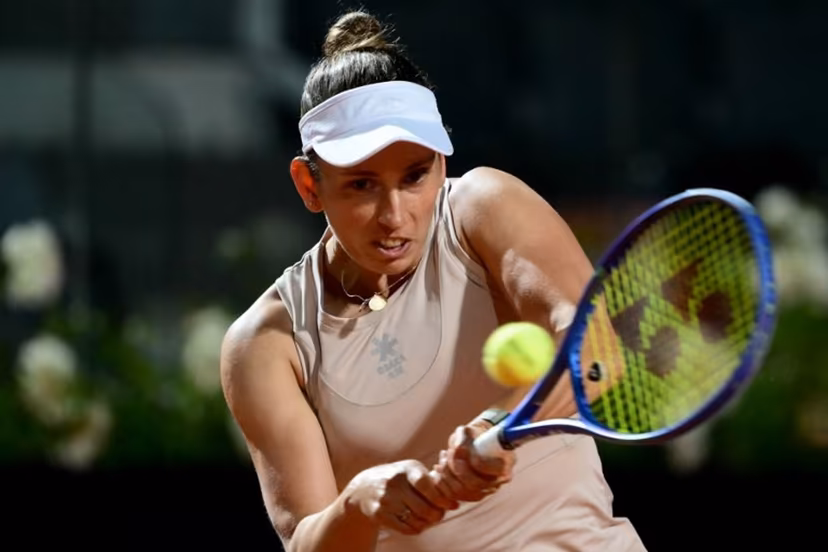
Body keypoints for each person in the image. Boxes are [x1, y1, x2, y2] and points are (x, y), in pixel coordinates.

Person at [221, 9, 647, 552]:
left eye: (415, 176)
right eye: (362, 185)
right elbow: (307, 541)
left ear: (442, 164)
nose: (394, 215)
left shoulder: (485, 206)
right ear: (309, 185)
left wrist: (498, 426)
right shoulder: (263, 345)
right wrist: (359, 502)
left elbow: (595, 348)